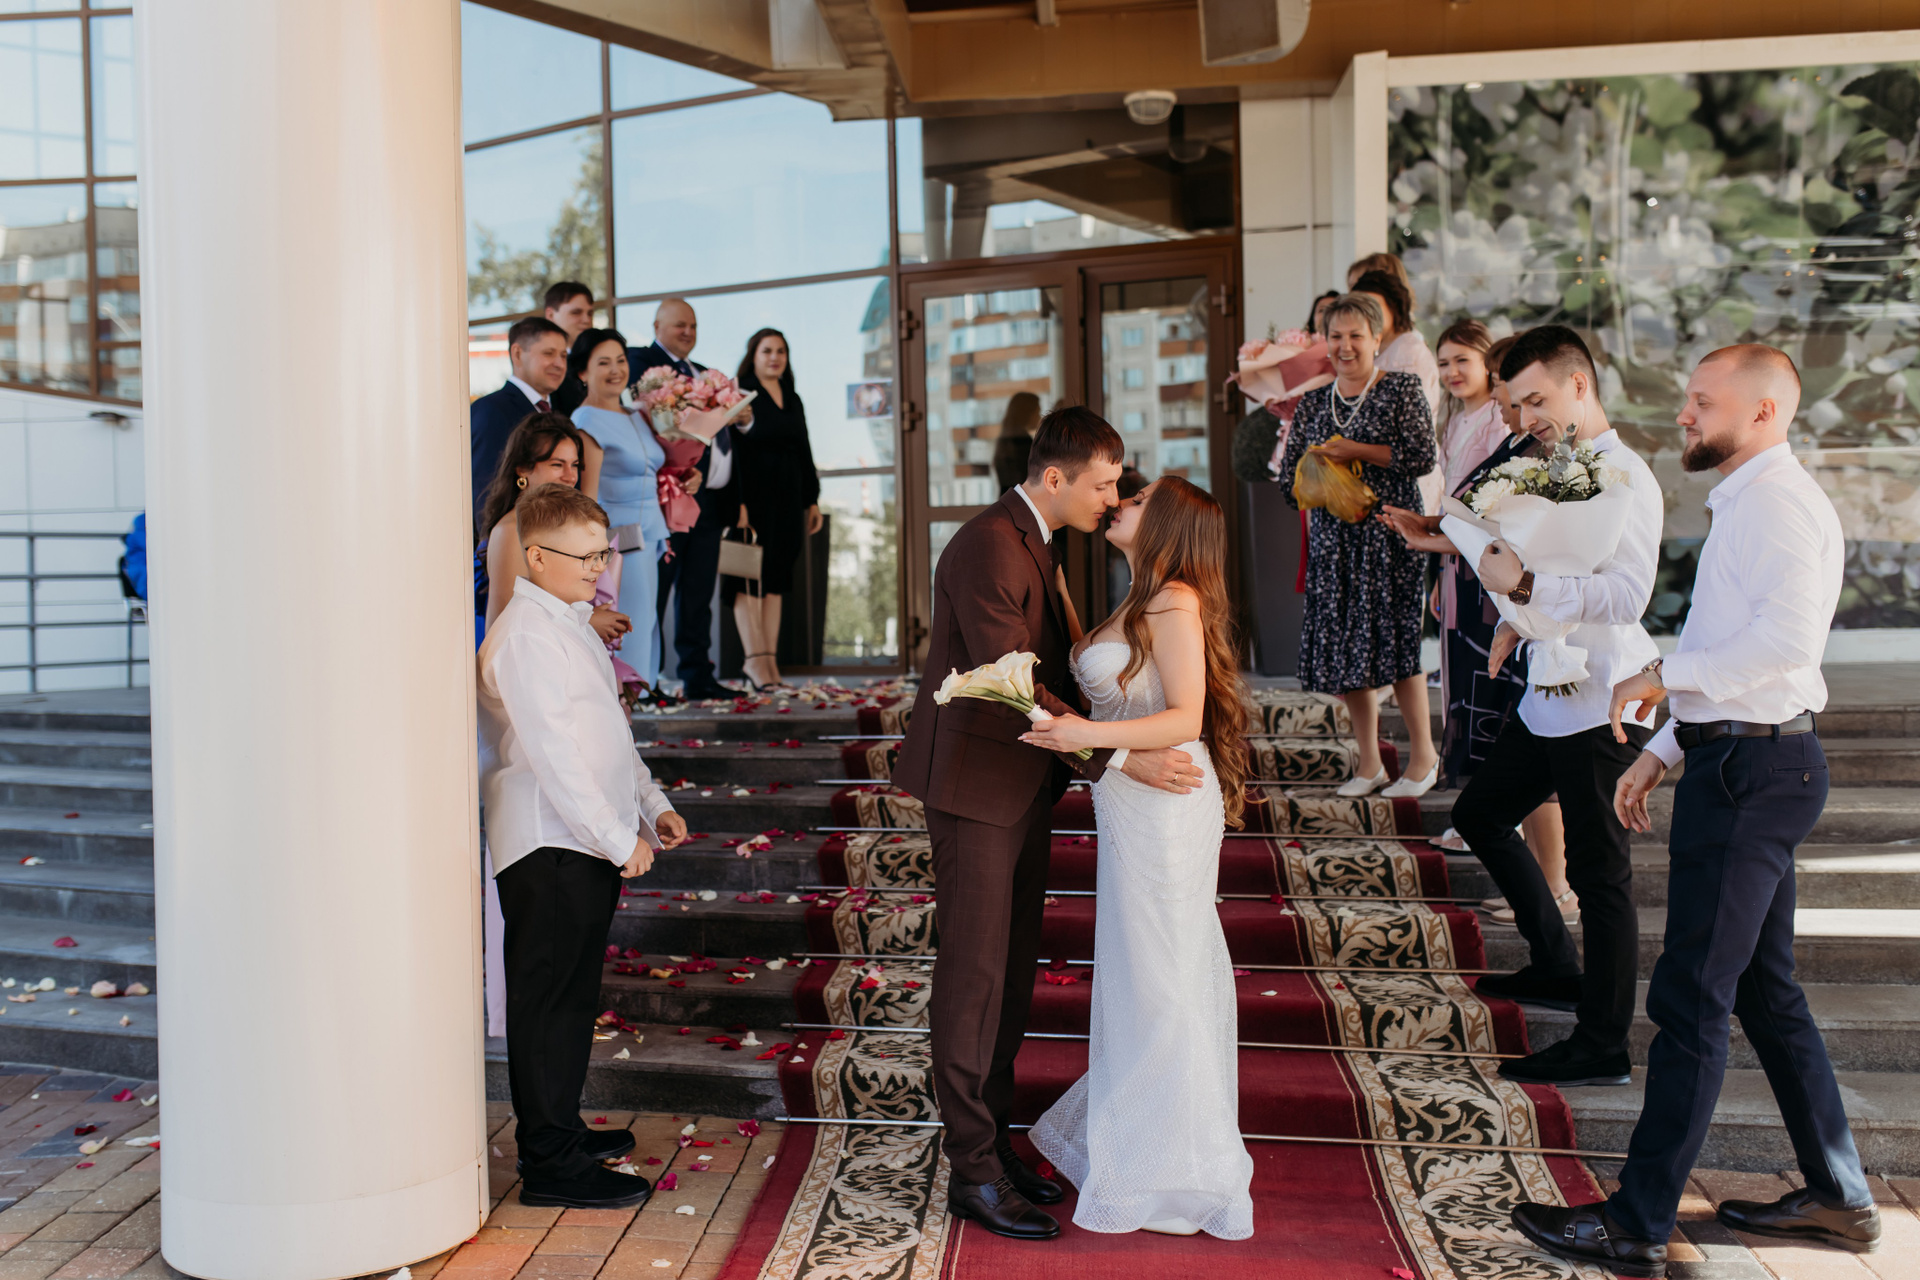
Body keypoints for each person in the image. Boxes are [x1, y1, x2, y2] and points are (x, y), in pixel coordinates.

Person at [1514, 346, 1880, 1274]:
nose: (1684, 413)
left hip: (1756, 775)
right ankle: (1839, 1194)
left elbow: (1786, 648)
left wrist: (1661, 675)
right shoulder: (1746, 500)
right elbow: (1732, 648)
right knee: (1763, 990)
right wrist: (1666, 749)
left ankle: (1637, 1221)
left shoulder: (1780, 505)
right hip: (1742, 760)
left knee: (1690, 996)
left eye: (1702, 401)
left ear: (1762, 413)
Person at [892, 406, 1207, 1242]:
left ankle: (993, 1141)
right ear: (1057, 477)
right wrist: (1118, 757)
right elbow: (1009, 683)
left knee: (1010, 973)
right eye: (1104, 485)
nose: (1113, 499)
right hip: (975, 787)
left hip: (1021, 784)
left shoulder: (1038, 539)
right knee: (975, 979)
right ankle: (972, 1171)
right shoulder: (990, 543)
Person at [1022, 476, 1255, 1241]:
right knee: (1142, 974)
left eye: (1142, 496)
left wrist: (1088, 738)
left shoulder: (1174, 599)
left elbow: (1186, 715)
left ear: (1171, 524)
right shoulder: (1137, 597)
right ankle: (1145, 1151)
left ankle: (1182, 1173)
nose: (1123, 497)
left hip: (1169, 806)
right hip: (1130, 802)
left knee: (1163, 978)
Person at [1448, 325, 1661, 1089]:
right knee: (1480, 813)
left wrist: (1528, 588)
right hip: (1550, 687)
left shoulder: (1626, 474)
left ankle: (1603, 1042)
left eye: (1537, 400)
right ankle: (1555, 964)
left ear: (1580, 384)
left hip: (1607, 696)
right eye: (1516, 404)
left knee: (1600, 874)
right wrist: (1520, 616)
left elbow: (1628, 596)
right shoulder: (1561, 465)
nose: (1527, 418)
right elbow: (1559, 564)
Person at [476, 481, 689, 1210]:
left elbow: (608, 735)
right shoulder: (525, 635)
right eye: (586, 556)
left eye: (603, 553)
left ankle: (560, 1131)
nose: (600, 568)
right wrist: (615, 837)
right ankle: (550, 1164)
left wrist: (652, 806)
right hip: (550, 844)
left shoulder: (569, 624)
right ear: (536, 556)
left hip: (582, 841)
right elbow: (553, 755)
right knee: (549, 1006)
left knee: (569, 1002)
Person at [1380, 334, 1575, 924]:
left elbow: (1510, 535)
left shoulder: (1553, 457)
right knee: (1515, 746)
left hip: (1521, 610)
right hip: (1490, 599)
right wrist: (1430, 531)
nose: (1507, 405)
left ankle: (1556, 888)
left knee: (1533, 754)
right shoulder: (1517, 443)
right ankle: (1543, 887)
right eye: (1510, 396)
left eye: (1518, 396)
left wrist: (1439, 536)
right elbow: (1477, 521)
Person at [1277, 292, 1440, 798]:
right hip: (1334, 543)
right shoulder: (1312, 402)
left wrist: (1356, 451)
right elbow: (1286, 482)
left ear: (1376, 339)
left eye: (1355, 336)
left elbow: (1422, 456)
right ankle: (1369, 764)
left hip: (1390, 536)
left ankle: (1424, 759)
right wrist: (1317, 472)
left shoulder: (1401, 388)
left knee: (1397, 647)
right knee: (1349, 651)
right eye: (1336, 336)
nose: (1345, 346)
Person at [629, 297, 748, 700]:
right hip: (667, 496)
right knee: (659, 590)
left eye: (693, 326)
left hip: (708, 501)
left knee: (698, 593)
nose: (687, 332)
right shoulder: (641, 364)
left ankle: (698, 676)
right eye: (679, 324)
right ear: (656, 326)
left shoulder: (704, 375)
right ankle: (649, 679)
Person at [568, 327, 669, 695]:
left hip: (653, 534)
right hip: (620, 542)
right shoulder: (586, 421)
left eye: (621, 361)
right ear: (583, 371)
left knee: (649, 622)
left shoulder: (637, 415)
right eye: (603, 363)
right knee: (631, 625)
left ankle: (638, 703)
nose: (615, 370)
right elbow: (588, 498)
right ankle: (624, 706)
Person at [727, 327, 821, 692]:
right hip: (753, 498)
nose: (775, 357)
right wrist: (737, 502)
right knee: (749, 578)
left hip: (789, 499)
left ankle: (769, 663)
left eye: (781, 351)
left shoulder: (793, 397)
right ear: (753, 355)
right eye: (767, 350)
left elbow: (804, 449)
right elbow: (733, 452)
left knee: (776, 581)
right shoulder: (740, 392)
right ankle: (754, 661)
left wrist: (812, 499)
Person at [472, 316, 569, 524]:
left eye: (563, 355)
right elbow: (484, 494)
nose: (560, 364)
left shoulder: (558, 412)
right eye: (549, 353)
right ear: (517, 354)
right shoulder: (491, 410)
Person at [545, 281, 597, 417]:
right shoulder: (544, 366)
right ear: (550, 315)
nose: (586, 320)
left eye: (590, 313)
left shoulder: (598, 361)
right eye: (576, 313)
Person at [992, 391, 1043, 494]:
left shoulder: (1007, 440)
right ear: (1027, 414)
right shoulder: (1021, 443)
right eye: (1037, 412)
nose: (1039, 417)